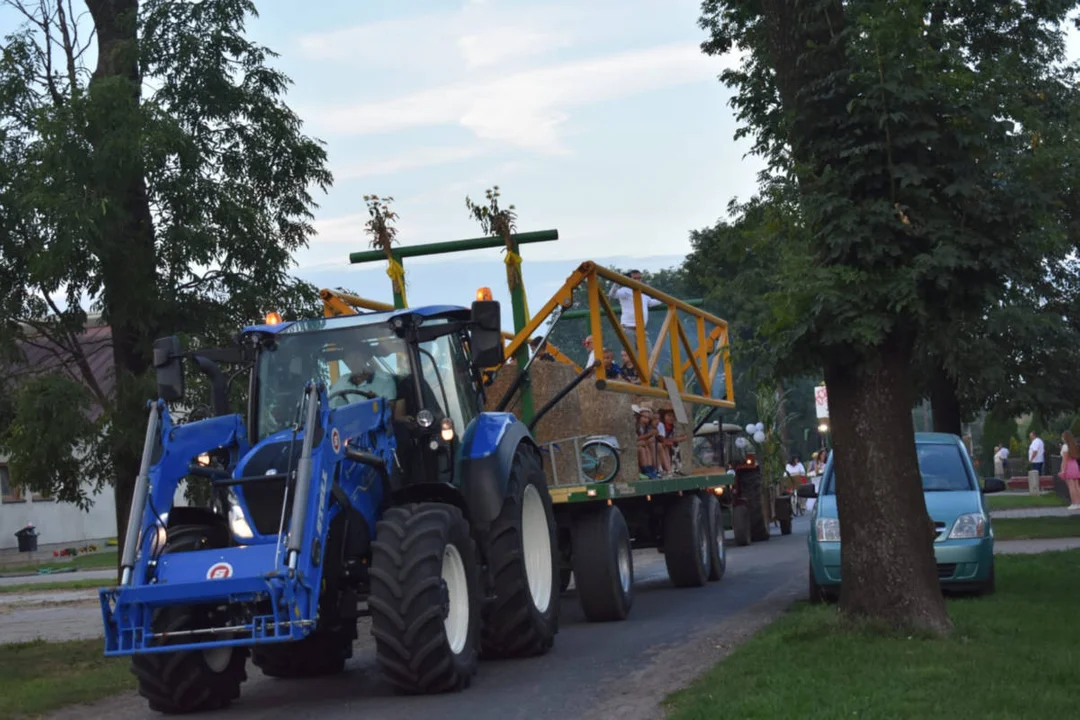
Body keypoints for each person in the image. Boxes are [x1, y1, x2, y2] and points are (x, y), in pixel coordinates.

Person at [328, 340, 398, 409]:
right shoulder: (340, 383)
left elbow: (391, 410)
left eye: (355, 357)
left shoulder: (385, 380)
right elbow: (329, 409)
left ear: (366, 357)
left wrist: (378, 401)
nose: (350, 361)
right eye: (347, 357)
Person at [634, 404, 660, 479]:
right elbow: (636, 439)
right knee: (642, 449)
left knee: (646, 449)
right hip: (635, 445)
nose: (646, 420)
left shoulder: (645, 427)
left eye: (648, 418)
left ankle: (650, 468)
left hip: (642, 444)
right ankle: (645, 469)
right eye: (644, 417)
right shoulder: (636, 426)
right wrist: (649, 435)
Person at [1058, 431, 1080, 510]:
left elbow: (1065, 460)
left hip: (1069, 466)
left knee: (1071, 486)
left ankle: (1074, 503)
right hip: (1075, 465)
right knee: (1077, 486)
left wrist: (1063, 470)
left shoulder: (1065, 446)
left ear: (1065, 437)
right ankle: (1079, 503)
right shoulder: (1073, 445)